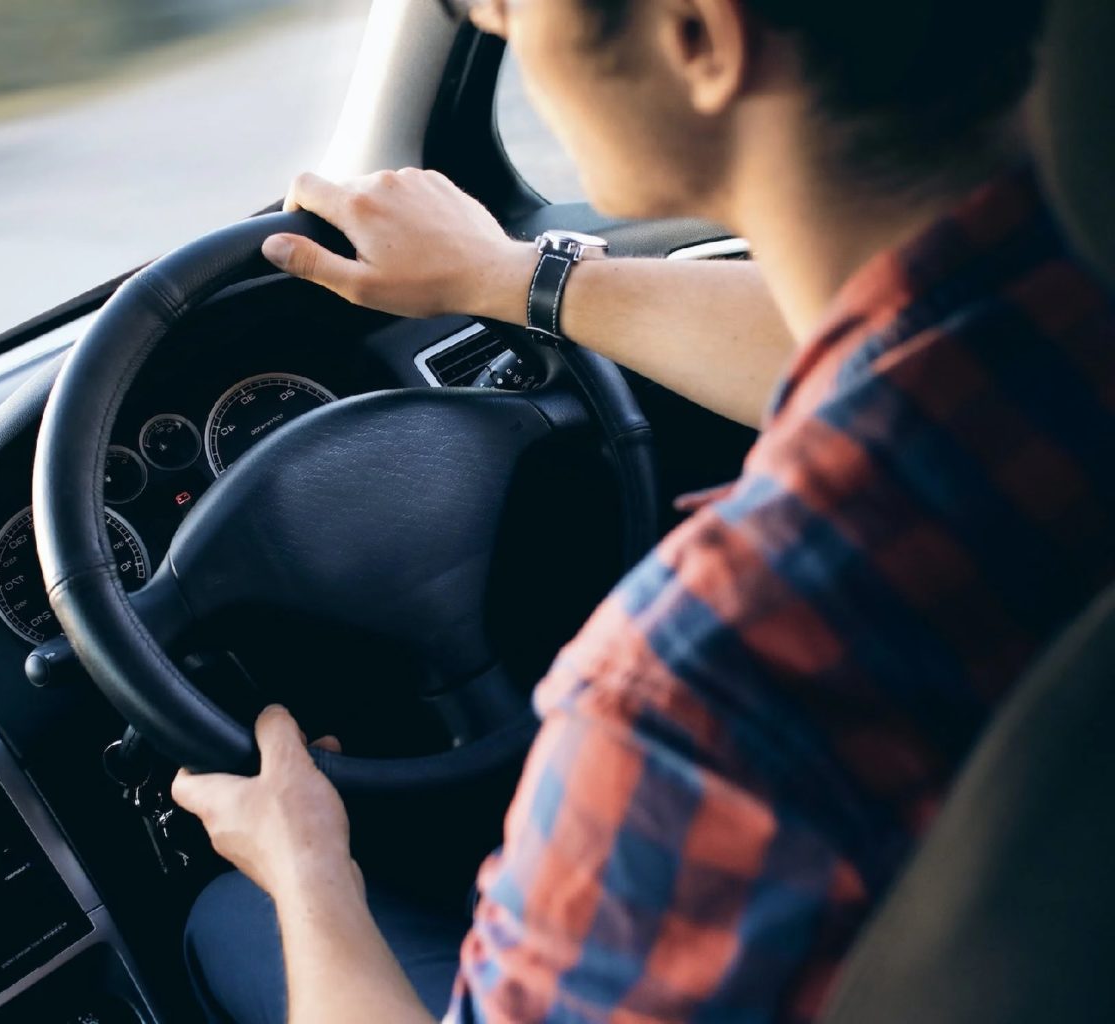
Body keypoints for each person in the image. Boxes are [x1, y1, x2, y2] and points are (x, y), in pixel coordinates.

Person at [174, 0, 1115, 1021]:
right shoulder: (1064, 311)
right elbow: (873, 343)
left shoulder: (702, 692)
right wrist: (507, 276)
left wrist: (308, 865)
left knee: (235, 917)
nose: (494, 20)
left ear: (698, 36)